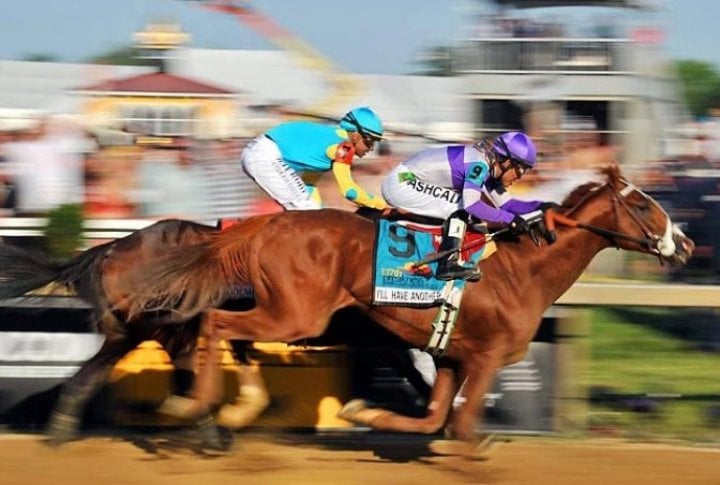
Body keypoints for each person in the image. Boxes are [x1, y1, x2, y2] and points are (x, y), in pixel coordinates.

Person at [381, 131, 553, 281]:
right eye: (520, 169)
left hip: (406, 179)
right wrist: (509, 220)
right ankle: (448, 263)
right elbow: (472, 205)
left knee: (458, 204)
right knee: (460, 205)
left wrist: (541, 206)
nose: (520, 176)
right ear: (507, 162)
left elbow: (507, 204)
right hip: (401, 182)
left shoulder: (489, 165)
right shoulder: (479, 164)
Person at [241, 107, 387, 211]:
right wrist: (383, 205)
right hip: (264, 156)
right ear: (355, 135)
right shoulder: (344, 148)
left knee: (309, 211)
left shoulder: (331, 144)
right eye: (369, 141)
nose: (371, 148)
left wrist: (318, 212)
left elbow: (308, 183)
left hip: (258, 152)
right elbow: (350, 191)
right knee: (305, 209)